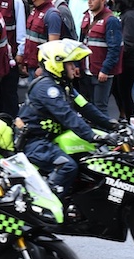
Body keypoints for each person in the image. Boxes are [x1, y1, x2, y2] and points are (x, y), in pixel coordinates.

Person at [17, 40, 117, 197]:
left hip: (51, 139)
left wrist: (112, 125)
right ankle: (47, 203)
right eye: (69, 63)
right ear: (57, 65)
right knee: (67, 166)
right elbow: (68, 116)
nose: (74, 67)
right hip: (34, 142)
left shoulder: (64, 86)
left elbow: (86, 107)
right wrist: (93, 136)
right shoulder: (47, 89)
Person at [80, 0, 122, 115]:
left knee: (100, 108)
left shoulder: (111, 20)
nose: (89, 1)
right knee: (88, 107)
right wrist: (77, 65)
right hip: (86, 70)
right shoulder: (87, 16)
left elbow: (114, 48)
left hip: (101, 72)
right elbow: (81, 43)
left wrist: (105, 69)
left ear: (103, 0)